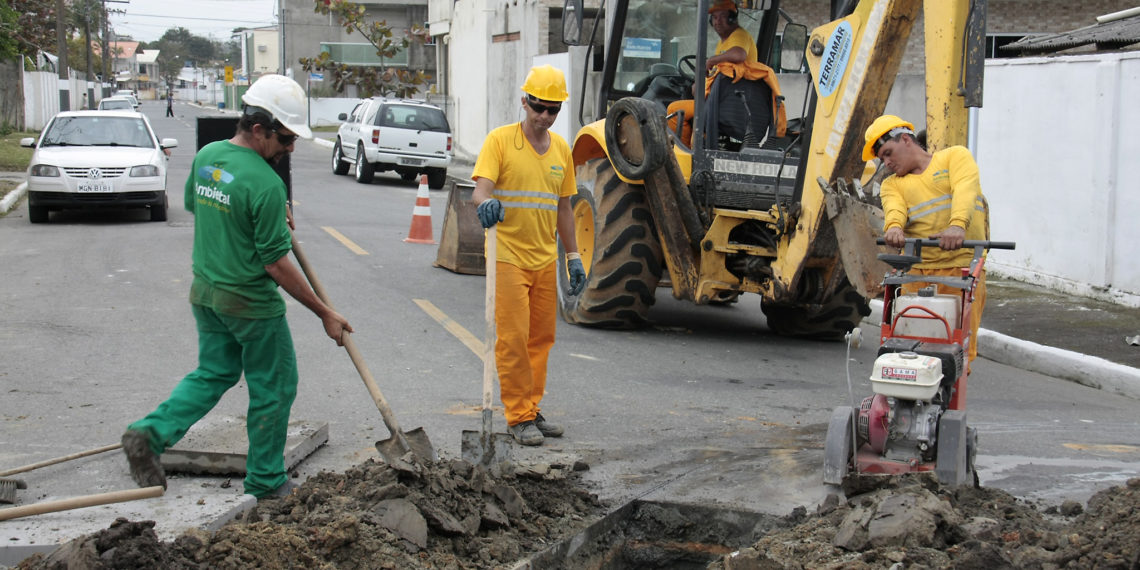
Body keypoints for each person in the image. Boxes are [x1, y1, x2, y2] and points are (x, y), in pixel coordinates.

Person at [121, 74, 352, 499]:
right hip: (249, 304)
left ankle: (150, 433)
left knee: (214, 372)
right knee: (276, 383)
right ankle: (266, 480)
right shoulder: (265, 184)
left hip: (206, 294)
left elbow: (197, 203)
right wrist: (324, 312)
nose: (291, 148)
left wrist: (262, 215)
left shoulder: (209, 155)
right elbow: (277, 265)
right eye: (285, 139)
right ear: (259, 128)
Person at [471, 64, 586, 446]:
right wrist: (486, 204)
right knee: (514, 339)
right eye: (538, 107)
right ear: (524, 102)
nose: (544, 116)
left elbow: (564, 208)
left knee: (541, 339)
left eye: (552, 110)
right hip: (507, 257)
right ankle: (518, 415)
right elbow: (480, 190)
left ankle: (532, 409)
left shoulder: (561, 151)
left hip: (543, 260)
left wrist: (573, 256)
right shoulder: (500, 142)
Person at [866, 114, 990, 367]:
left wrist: (957, 226)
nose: (887, 162)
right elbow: (895, 210)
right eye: (882, 159)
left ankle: (949, 395)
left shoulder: (954, 157)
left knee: (957, 350)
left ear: (905, 139)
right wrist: (894, 228)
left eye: (889, 153)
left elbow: (965, 188)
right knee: (907, 341)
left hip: (961, 269)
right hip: (917, 271)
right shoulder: (892, 185)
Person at [666, 0, 758, 146]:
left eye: (722, 16)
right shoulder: (723, 43)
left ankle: (681, 157)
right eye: (714, 17)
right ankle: (694, 147)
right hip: (720, 102)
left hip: (728, 105)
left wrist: (711, 60)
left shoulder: (739, 35)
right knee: (693, 114)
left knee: (674, 110)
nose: (717, 21)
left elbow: (739, 54)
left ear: (732, 18)